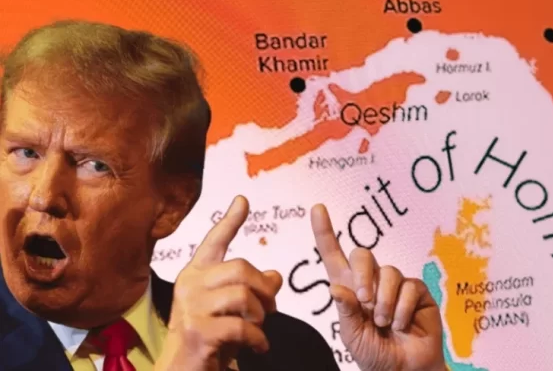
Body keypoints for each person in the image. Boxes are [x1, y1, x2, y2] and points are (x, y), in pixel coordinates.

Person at [0, 21, 447, 371]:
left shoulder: (284, 351)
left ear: (171, 205)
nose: (43, 195)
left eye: (95, 165)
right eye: (25, 153)